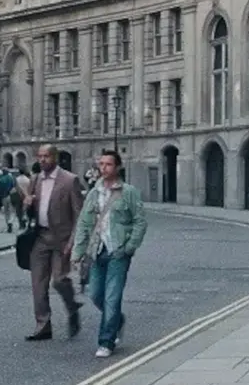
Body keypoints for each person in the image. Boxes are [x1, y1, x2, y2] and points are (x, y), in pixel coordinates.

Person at [71, 150, 147, 358]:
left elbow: (140, 221)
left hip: (118, 252)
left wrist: (129, 247)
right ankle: (117, 321)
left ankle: (106, 342)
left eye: (108, 165)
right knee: (96, 295)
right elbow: (84, 223)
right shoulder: (94, 193)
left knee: (112, 298)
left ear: (118, 167)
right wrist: (77, 252)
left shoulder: (129, 192)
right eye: (101, 164)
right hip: (97, 251)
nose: (103, 168)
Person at [22, 144, 85, 341]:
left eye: (46, 156)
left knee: (59, 280)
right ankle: (43, 325)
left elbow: (79, 215)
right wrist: (27, 205)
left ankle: (72, 306)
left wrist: (73, 242)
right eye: (39, 156)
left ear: (55, 158)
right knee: (38, 284)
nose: (42, 160)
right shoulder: (35, 180)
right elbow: (30, 212)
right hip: (40, 237)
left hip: (62, 239)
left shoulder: (70, 180)